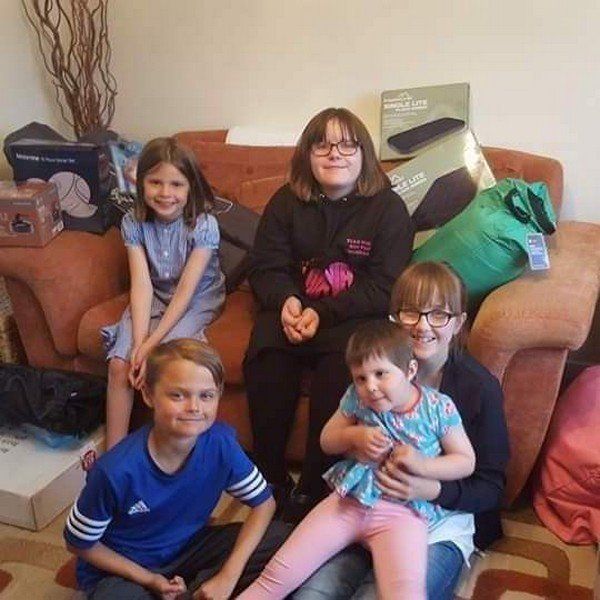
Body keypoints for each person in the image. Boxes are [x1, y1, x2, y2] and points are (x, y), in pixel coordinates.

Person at [292, 261, 510, 600]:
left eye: (439, 314)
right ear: (393, 318)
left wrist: (431, 489)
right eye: (411, 312)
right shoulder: (368, 374)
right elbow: (328, 445)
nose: (422, 325)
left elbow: (491, 486)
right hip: (363, 507)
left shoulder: (479, 388)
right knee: (312, 593)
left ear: (458, 323)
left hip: (437, 526)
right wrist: (354, 442)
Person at [243, 107, 415, 520]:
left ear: (364, 154)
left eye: (347, 145)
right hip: (292, 312)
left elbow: (385, 285)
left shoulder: (388, 209)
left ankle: (314, 485)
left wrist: (323, 311)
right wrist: (286, 300)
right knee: (265, 355)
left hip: (352, 317)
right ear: (307, 155)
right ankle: (270, 477)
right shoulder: (285, 202)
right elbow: (265, 267)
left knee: (343, 371)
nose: (334, 153)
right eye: (322, 145)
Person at [238, 321, 475, 599]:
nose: (370, 387)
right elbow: (327, 440)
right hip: (348, 501)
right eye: (361, 378)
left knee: (404, 592)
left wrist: (423, 464)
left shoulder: (438, 407)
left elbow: (465, 461)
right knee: (278, 573)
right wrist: (354, 436)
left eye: (380, 374)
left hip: (403, 513)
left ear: (410, 370)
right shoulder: (356, 397)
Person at [64, 339, 290, 599]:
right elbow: (78, 542)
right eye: (178, 395)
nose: (194, 407)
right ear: (148, 395)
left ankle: (198, 590)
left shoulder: (222, 444)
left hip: (187, 548)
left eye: (206, 396)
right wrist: (149, 579)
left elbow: (264, 504)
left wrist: (227, 577)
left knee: (283, 537)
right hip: (127, 569)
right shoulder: (113, 472)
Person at [102, 137, 226, 449]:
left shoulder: (204, 225)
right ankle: (114, 457)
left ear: (190, 187)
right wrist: (138, 344)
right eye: (155, 182)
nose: (165, 193)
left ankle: (170, 451)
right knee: (120, 364)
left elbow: (186, 292)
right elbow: (142, 284)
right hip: (154, 294)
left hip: (197, 298)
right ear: (140, 182)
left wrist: (152, 345)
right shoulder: (132, 222)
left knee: (163, 361)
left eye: (176, 184)